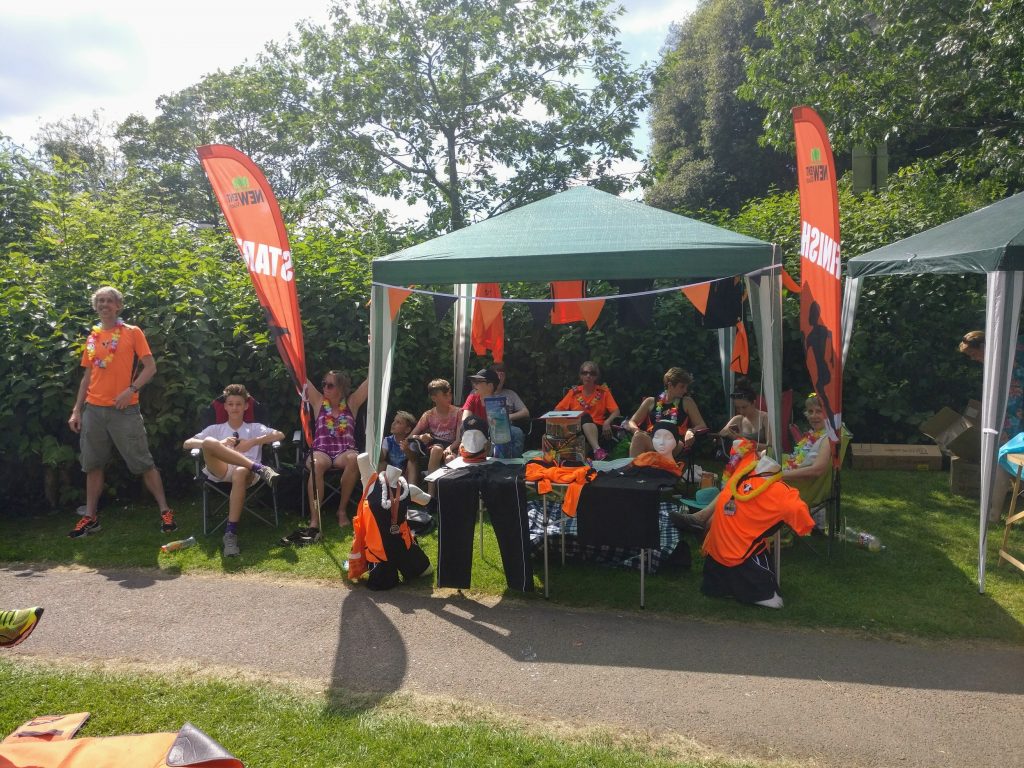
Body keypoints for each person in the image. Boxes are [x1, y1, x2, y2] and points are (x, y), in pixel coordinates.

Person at [67, 286, 177, 539]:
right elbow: (87, 376)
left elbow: (150, 367)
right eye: (101, 301)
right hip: (93, 410)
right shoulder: (93, 336)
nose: (105, 304)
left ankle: (165, 511)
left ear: (118, 306)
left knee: (143, 463)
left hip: (125, 410)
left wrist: (131, 389)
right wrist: (77, 411)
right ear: (96, 306)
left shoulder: (132, 332)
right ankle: (91, 518)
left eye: (110, 301)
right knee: (92, 465)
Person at [673, 439, 813, 608]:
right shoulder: (779, 491)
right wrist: (806, 525)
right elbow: (801, 515)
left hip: (716, 562)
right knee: (774, 601)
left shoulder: (742, 471)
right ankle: (701, 519)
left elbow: (739, 446)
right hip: (742, 558)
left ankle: (701, 520)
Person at [182, 384, 284, 557]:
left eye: (238, 404)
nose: (234, 407)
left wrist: (252, 442)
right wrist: (221, 444)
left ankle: (230, 534)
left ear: (246, 406)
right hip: (221, 469)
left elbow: (280, 434)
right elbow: (187, 443)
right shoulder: (216, 429)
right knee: (208, 442)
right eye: (231, 404)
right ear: (225, 406)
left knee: (240, 471)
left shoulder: (255, 428)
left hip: (246, 474)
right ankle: (260, 468)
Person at [283, 370, 368, 546]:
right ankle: (315, 519)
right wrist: (288, 348)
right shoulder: (319, 402)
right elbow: (299, 373)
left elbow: (372, 380)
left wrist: (372, 348)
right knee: (316, 464)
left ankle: (342, 510)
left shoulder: (351, 403)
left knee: (355, 459)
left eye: (330, 385)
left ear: (342, 388)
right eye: (324, 384)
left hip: (345, 450)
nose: (325, 388)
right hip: (321, 449)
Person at [960, 330, 1024, 521]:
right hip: (1012, 408)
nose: (974, 359)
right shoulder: (1011, 348)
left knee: (1003, 457)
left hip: (1012, 410)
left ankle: (994, 513)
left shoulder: (1003, 356)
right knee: (1010, 456)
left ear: (983, 347)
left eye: (973, 354)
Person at [624, 367, 706, 459]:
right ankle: (633, 471)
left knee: (668, 443)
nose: (685, 390)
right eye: (682, 386)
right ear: (670, 385)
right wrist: (636, 431)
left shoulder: (687, 402)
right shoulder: (650, 401)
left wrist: (691, 431)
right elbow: (632, 422)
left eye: (686, 387)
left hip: (674, 441)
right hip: (654, 440)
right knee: (638, 437)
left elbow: (701, 425)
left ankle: (654, 469)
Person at [552, 361, 621, 460]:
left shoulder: (603, 392)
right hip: (575, 428)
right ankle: (597, 450)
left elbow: (616, 411)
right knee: (584, 416)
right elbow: (557, 410)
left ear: (596, 377)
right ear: (581, 376)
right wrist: (567, 419)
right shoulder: (573, 392)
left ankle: (592, 451)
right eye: (585, 373)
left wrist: (607, 421)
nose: (588, 376)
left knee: (585, 416)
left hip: (599, 428)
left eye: (592, 373)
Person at [409, 378, 460, 482]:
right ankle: (431, 493)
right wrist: (421, 437)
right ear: (434, 398)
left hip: (453, 445)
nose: (449, 397)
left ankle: (447, 491)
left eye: (449, 394)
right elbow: (410, 436)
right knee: (437, 449)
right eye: (445, 395)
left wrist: (450, 448)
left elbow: (459, 439)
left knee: (450, 459)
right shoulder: (428, 415)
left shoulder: (458, 412)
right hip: (435, 445)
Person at [444, 367, 499, 462]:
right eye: (474, 382)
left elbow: (497, 428)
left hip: (489, 443)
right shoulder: (472, 398)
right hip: (470, 440)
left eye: (478, 382)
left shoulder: (498, 403)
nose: (474, 385)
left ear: (490, 386)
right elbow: (465, 420)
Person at [781, 394, 831, 482]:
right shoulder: (813, 435)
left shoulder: (828, 438)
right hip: (789, 476)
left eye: (819, 411)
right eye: (810, 412)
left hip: (795, 485)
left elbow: (817, 470)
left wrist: (779, 476)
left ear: (829, 414)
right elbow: (796, 458)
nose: (813, 416)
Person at [492, 362, 530, 457]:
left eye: (502, 375)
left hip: (507, 426)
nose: (500, 378)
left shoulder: (510, 394)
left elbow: (525, 412)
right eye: (497, 374)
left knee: (517, 433)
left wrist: (508, 417)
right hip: (489, 425)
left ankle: (514, 462)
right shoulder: (484, 392)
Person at [719, 379, 769, 449]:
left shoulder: (765, 418)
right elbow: (722, 433)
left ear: (753, 403)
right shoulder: (739, 419)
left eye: (744, 407)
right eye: (737, 408)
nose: (741, 411)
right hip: (744, 456)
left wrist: (743, 440)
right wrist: (730, 434)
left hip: (763, 457)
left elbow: (770, 447)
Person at [379, 410, 418, 485]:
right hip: (391, 472)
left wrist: (406, 449)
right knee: (382, 463)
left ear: (407, 430)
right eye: (394, 421)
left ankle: (412, 490)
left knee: (412, 463)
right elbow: (382, 458)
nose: (393, 424)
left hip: (405, 475)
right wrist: (379, 445)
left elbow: (413, 459)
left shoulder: (411, 442)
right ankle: (378, 488)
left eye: (398, 422)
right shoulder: (387, 440)